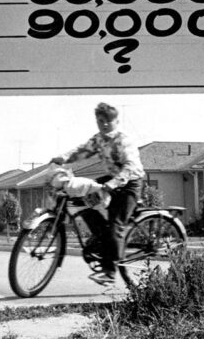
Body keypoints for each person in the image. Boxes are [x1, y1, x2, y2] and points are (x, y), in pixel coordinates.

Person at [56, 101, 146, 283]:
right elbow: (82, 151)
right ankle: (101, 240)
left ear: (116, 121)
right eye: (100, 120)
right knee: (82, 199)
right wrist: (62, 158)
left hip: (130, 183)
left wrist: (113, 184)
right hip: (111, 180)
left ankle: (109, 271)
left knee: (116, 224)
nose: (104, 124)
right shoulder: (99, 139)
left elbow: (129, 167)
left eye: (108, 121)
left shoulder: (123, 140)